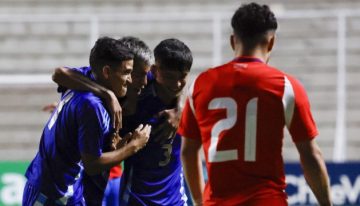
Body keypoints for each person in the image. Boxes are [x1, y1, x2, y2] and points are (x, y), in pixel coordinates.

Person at [178, 3, 332, 206]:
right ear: (271, 42)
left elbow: (188, 151)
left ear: (233, 41)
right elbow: (311, 155)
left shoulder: (201, 84)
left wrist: (199, 201)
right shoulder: (286, 86)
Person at [23, 36, 151, 206]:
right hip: (50, 193)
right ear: (106, 72)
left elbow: (60, 74)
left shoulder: (86, 77)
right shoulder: (92, 106)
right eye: (127, 72)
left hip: (69, 189)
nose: (130, 80)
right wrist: (133, 146)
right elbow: (92, 164)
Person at [119, 38, 193, 205]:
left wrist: (180, 109)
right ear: (155, 71)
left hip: (175, 199)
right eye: (169, 77)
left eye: (182, 77)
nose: (177, 83)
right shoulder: (136, 95)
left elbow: (188, 87)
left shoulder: (187, 104)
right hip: (137, 198)